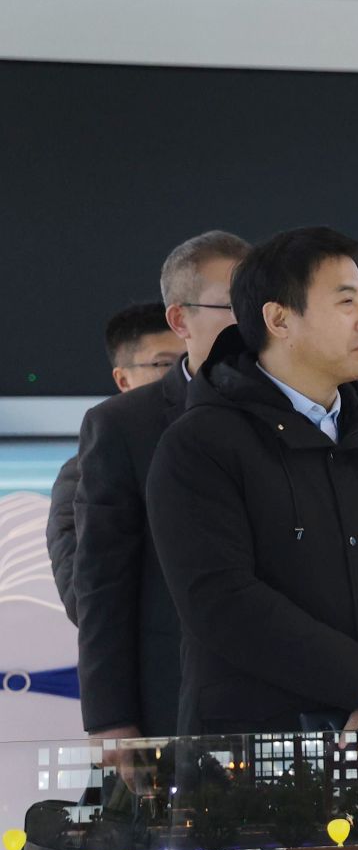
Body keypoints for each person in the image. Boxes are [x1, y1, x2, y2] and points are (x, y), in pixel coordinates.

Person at [147, 226, 358, 736]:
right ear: (279, 320)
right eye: (345, 301)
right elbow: (221, 600)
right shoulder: (201, 442)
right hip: (257, 745)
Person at [73, 234, 247, 742]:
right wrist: (110, 719)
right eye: (233, 306)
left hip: (289, 697)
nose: (254, 321)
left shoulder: (295, 411)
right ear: (180, 319)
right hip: (170, 700)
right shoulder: (124, 424)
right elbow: (102, 584)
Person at [48, 302, 183, 624]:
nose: (182, 375)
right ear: (123, 380)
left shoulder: (226, 453)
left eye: (190, 361)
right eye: (164, 363)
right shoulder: (82, 475)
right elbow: (84, 599)